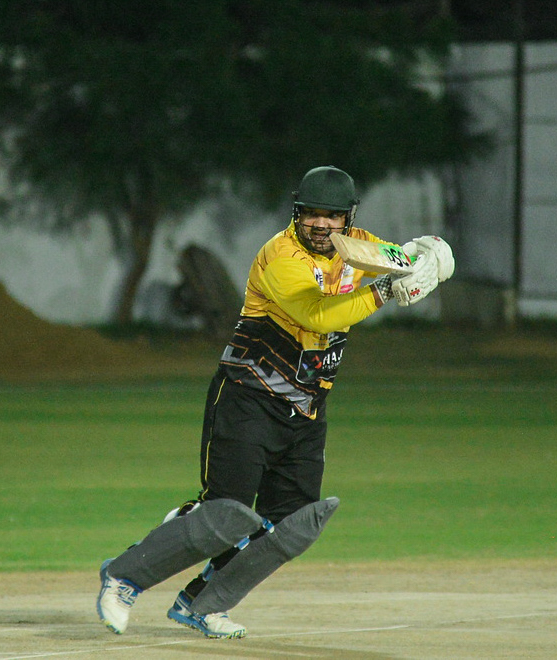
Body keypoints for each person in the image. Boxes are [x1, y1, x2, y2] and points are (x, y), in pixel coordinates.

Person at [95, 165, 455, 639]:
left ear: (348, 218)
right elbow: (317, 315)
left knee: (289, 523)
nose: (321, 224)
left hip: (307, 409)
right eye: (311, 214)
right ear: (296, 213)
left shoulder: (359, 245)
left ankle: (204, 602)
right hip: (248, 396)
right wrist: (385, 290)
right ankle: (124, 576)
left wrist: (430, 255)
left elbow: (405, 257)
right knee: (225, 513)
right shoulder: (280, 255)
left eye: (332, 216)